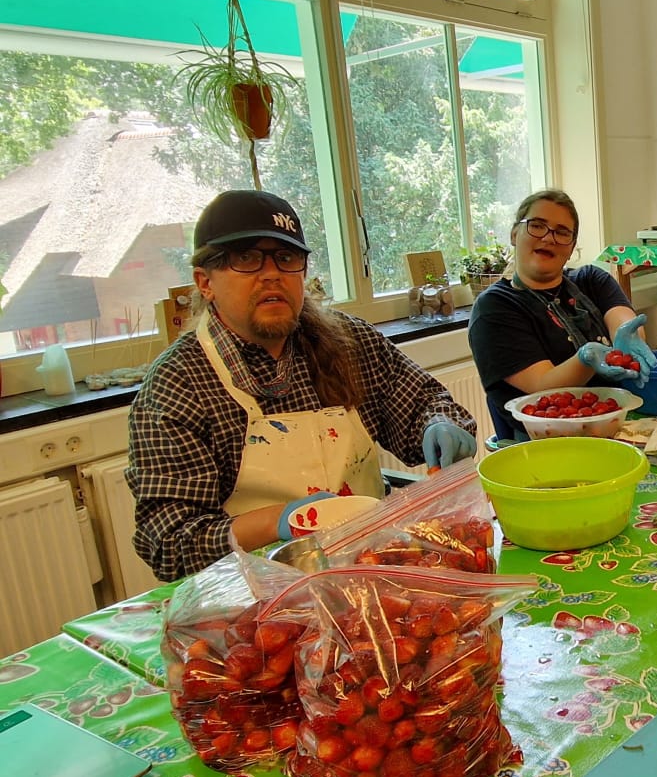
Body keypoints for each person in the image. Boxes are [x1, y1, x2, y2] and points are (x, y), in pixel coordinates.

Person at [127, 189, 478, 582]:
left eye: (286, 258)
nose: (271, 273)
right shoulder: (179, 384)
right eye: (246, 259)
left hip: (372, 568)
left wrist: (440, 424)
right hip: (255, 596)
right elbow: (169, 543)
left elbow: (426, 401)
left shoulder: (350, 341)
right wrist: (280, 522)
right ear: (205, 281)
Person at [467, 188, 657, 436]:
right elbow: (542, 386)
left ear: (571, 247)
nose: (548, 238)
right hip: (545, 440)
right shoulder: (494, 308)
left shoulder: (591, 279)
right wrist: (585, 359)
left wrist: (628, 334)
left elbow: (624, 321)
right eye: (537, 226)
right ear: (514, 234)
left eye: (562, 232)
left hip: (615, 423)